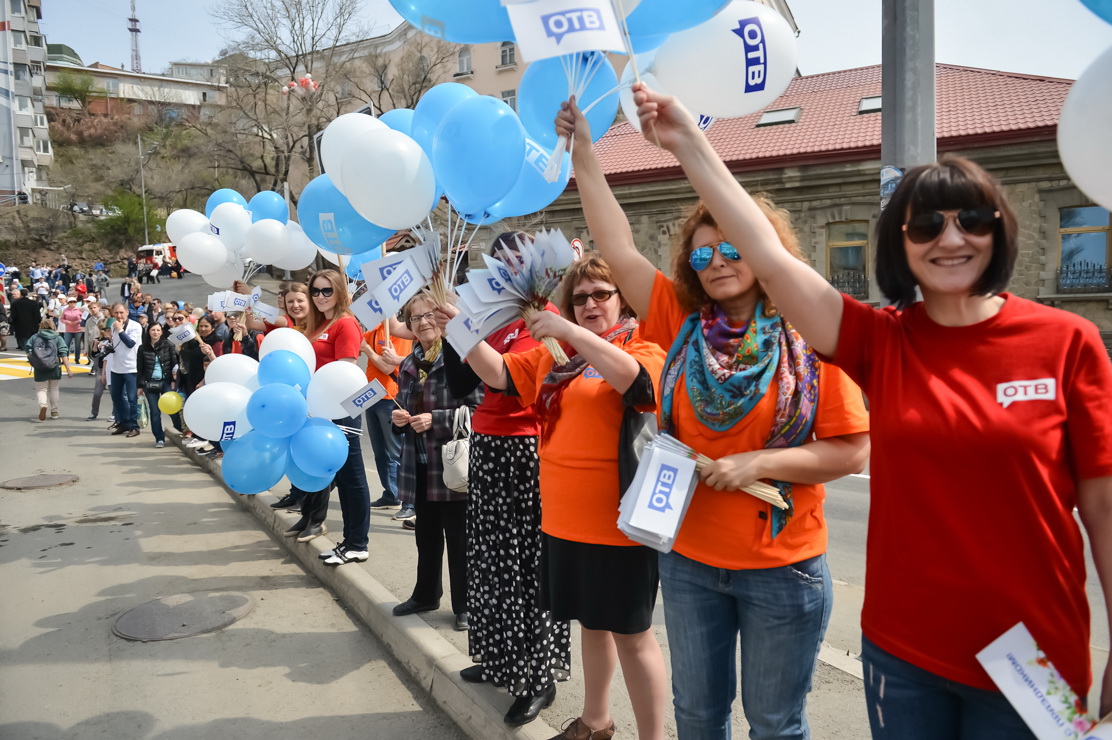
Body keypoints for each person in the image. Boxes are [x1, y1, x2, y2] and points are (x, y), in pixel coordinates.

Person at [632, 82, 1112, 738]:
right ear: (902, 242)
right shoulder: (881, 340)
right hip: (906, 654)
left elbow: (1104, 506)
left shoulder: (1067, 341)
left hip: (1036, 657)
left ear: (999, 231)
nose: (952, 239)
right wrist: (689, 141)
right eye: (926, 224)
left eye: (972, 220)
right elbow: (767, 258)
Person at [555, 99, 872, 740]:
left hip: (782, 567)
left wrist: (759, 463)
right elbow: (615, 246)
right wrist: (584, 152)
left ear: (764, 248)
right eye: (702, 255)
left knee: (774, 724)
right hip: (691, 562)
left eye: (732, 246)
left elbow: (851, 450)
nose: (718, 262)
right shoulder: (679, 324)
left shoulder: (808, 333)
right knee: (698, 719)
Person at [466, 255, 669, 740]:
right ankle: (596, 721)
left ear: (622, 299)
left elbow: (637, 384)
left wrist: (571, 332)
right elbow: (499, 375)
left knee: (634, 638)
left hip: (620, 525)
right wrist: (460, 327)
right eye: (580, 298)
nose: (590, 304)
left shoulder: (643, 345)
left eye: (602, 294)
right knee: (591, 626)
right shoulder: (556, 357)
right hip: (562, 521)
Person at [432, 231, 572, 727]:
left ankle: (537, 677)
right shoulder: (491, 316)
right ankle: (497, 659)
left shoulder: (544, 318)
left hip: (528, 449)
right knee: (489, 559)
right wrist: (457, 329)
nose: (510, 271)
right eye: (501, 264)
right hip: (489, 446)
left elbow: (506, 379)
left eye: (520, 262)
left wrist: (465, 330)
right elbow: (463, 382)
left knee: (526, 566)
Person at [391, 293, 484, 631]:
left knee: (460, 539)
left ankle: (466, 605)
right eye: (415, 318)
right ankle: (426, 594)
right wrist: (398, 419)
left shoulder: (461, 356)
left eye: (430, 314)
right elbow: (400, 406)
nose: (424, 322)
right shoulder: (408, 364)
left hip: (453, 464)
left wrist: (437, 420)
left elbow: (481, 409)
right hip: (418, 463)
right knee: (426, 535)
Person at [286, 270, 373, 566]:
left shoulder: (346, 324)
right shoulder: (319, 324)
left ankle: (357, 543)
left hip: (340, 409)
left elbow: (344, 372)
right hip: (319, 410)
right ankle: (349, 541)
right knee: (337, 475)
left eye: (326, 291)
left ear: (339, 292)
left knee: (352, 478)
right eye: (315, 291)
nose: (320, 297)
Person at [269, 283, 314, 512]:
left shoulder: (318, 327)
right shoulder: (288, 326)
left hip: (314, 399)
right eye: (290, 302)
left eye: (300, 300)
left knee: (308, 449)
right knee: (293, 448)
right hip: (289, 398)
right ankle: (296, 493)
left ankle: (308, 497)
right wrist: (246, 302)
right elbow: (256, 320)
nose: (295, 306)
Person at [361, 318, 412, 510]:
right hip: (371, 395)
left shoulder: (399, 332)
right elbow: (356, 345)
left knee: (396, 452)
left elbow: (388, 367)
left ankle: (408, 501)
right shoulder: (375, 328)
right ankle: (391, 494)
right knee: (380, 452)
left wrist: (367, 350)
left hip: (391, 396)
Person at [137, 322, 182, 448]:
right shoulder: (142, 348)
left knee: (172, 409)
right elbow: (140, 368)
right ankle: (159, 438)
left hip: (166, 382)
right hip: (150, 383)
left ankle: (181, 431)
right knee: (155, 412)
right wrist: (139, 386)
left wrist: (174, 381)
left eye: (158, 330)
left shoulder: (168, 345)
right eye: (153, 330)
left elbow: (175, 364)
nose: (155, 332)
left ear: (161, 332)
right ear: (148, 332)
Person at [107, 302, 143, 438]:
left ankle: (134, 426)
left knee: (132, 398)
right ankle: (124, 423)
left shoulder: (135, 326)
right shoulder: (113, 325)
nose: (119, 315)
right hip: (116, 367)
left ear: (127, 312)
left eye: (121, 312)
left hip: (131, 367)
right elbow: (116, 344)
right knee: (116, 397)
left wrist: (120, 330)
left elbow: (130, 344)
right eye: (116, 313)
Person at [28, 318, 72, 420]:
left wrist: (33, 361)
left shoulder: (34, 337)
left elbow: (28, 350)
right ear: (53, 326)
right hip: (54, 367)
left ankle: (43, 405)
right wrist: (68, 369)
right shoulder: (57, 338)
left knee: (41, 389)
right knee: (54, 389)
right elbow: (64, 354)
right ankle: (54, 411)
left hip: (40, 368)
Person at [86, 318, 112, 421]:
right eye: (102, 329)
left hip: (113, 369)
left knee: (114, 393)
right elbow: (94, 355)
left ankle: (115, 413)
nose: (104, 332)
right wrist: (95, 346)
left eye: (106, 330)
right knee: (97, 392)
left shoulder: (114, 340)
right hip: (101, 369)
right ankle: (94, 413)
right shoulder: (98, 339)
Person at [60, 296, 84, 364]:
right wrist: (67, 322)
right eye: (71, 302)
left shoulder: (79, 309)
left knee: (77, 345)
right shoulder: (65, 310)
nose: (72, 303)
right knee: (66, 344)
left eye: (74, 302)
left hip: (78, 329)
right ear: (68, 303)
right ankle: (65, 358)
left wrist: (78, 321)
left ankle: (77, 359)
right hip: (68, 330)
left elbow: (83, 318)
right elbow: (61, 318)